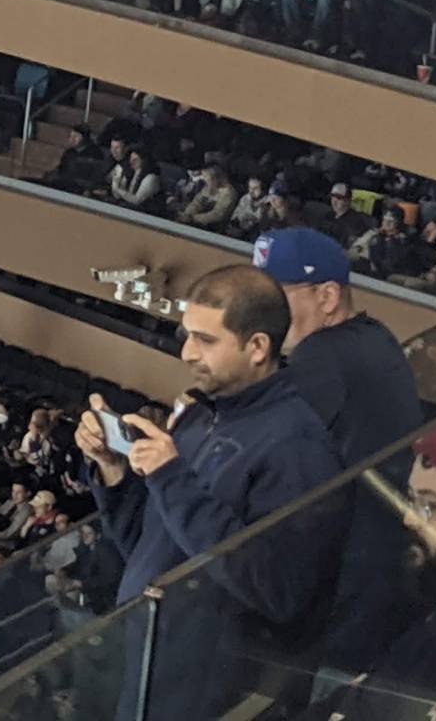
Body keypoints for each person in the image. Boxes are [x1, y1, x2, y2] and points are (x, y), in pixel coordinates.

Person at [76, 264, 346, 719]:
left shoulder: (298, 448)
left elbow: (276, 590)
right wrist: (114, 473)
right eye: (187, 335)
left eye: (206, 339)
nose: (186, 353)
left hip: (210, 697)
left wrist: (169, 476)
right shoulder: (200, 418)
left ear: (257, 346)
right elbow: (150, 546)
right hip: (149, 668)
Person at [254, 227, 426, 686]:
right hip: (374, 572)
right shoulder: (374, 337)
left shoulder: (322, 356)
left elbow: (263, 454)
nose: (259, 311)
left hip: (342, 591)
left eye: (274, 296)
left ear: (327, 296)